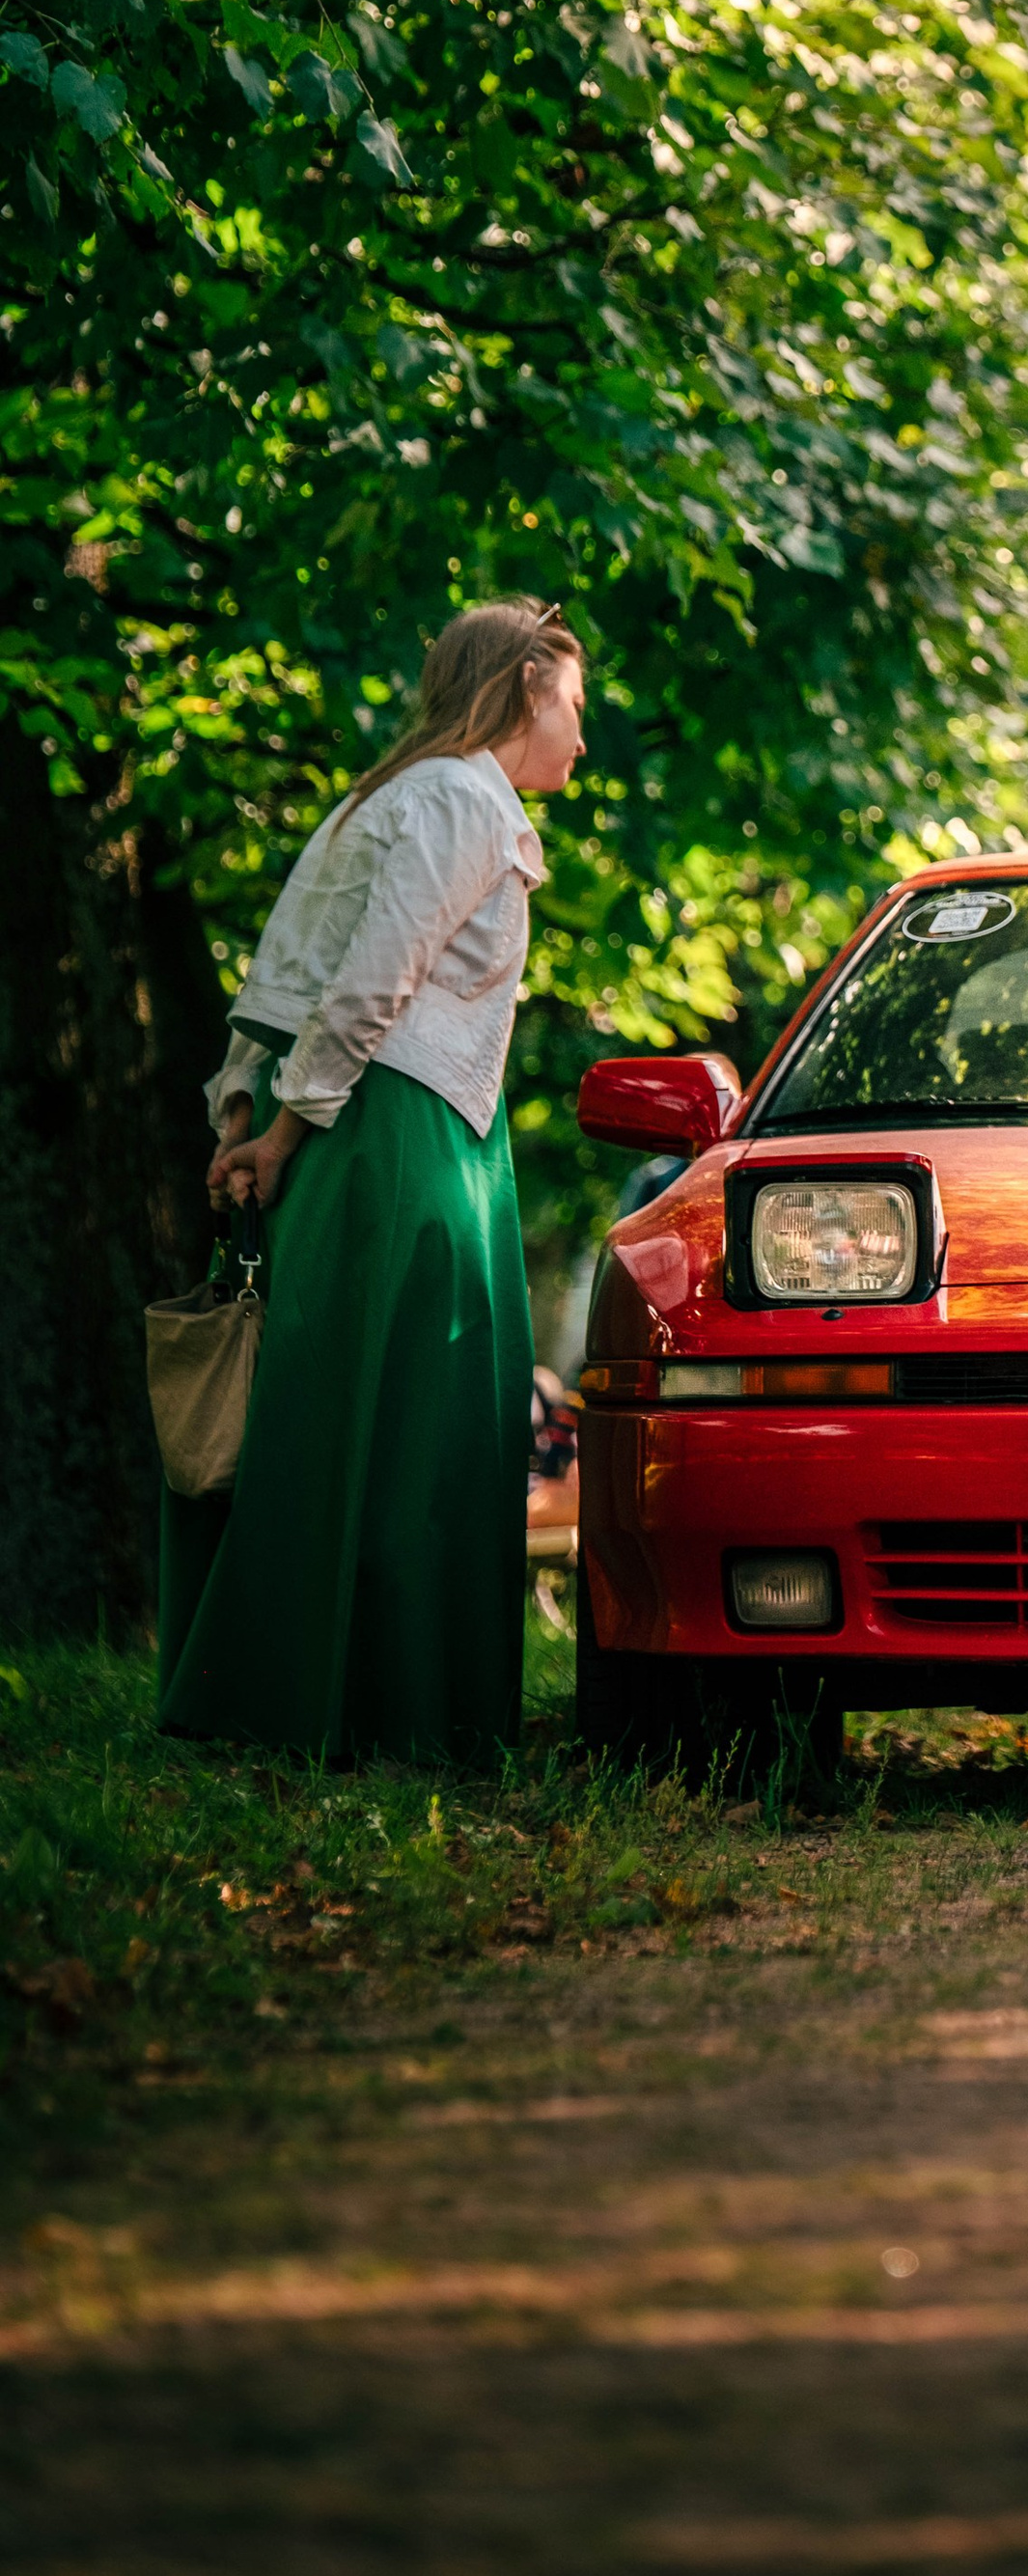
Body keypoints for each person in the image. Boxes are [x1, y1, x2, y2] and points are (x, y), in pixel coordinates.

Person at [161, 600, 587, 1764]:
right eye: (576, 707)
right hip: (396, 1136)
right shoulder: (459, 798)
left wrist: (245, 1112)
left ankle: (310, 1703)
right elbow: (368, 982)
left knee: (344, 1411)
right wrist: (285, 1134)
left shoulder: (384, 795)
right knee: (409, 1423)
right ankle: (396, 1718)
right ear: (522, 688)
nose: (582, 740)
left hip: (366, 1124)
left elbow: (278, 975)